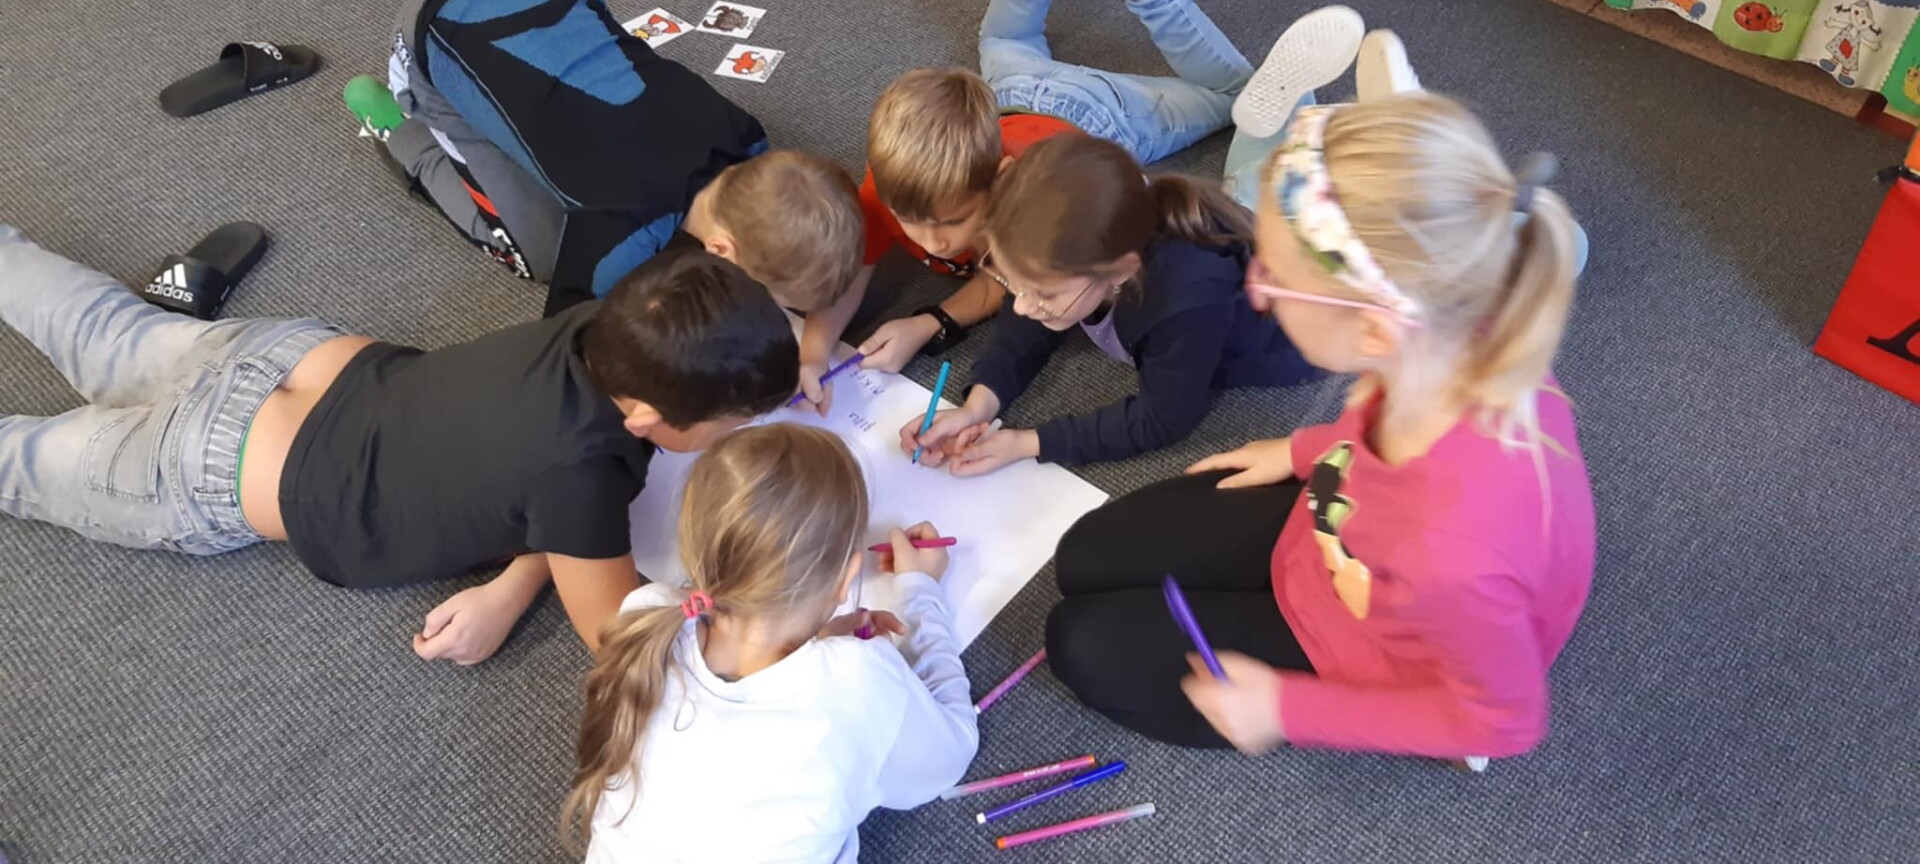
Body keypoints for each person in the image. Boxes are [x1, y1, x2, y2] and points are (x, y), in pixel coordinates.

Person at [1041, 94, 1595, 760]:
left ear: (1374, 329)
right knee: (1084, 553)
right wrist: (1305, 449)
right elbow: (1379, 446)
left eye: (1275, 277)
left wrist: (1284, 708)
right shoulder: (1446, 340)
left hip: (1380, 636)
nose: (1254, 291)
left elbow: (1502, 724)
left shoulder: (1449, 557)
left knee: (1075, 643)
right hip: (1340, 539)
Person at [0, 229, 798, 665]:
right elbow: (621, 641)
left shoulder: (612, 319)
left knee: (104, 328)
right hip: (202, 468)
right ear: (646, 417)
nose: (744, 432)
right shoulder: (583, 483)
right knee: (19, 464)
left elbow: (547, 502)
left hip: (286, 357)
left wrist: (512, 586)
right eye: (735, 421)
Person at [803, 0, 1359, 386]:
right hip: (1011, 92)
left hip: (1095, 119)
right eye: (908, 220)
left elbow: (1006, 282)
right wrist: (815, 350)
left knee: (1237, 94)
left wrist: (934, 321)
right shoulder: (896, 184)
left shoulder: (1037, 202)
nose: (931, 240)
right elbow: (852, 269)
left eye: (953, 221)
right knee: (1003, 40)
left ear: (1004, 177)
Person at [344, 0, 864, 321]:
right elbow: (569, 337)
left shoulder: (746, 136)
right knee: (538, 255)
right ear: (721, 252)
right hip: (429, 41)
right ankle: (398, 126)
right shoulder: (617, 240)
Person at [565, 424, 974, 863]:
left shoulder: (647, 612)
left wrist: (821, 642)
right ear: (845, 580)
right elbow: (950, 754)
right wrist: (919, 591)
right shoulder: (857, 682)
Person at [902, 131, 1316, 475]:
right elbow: (1027, 299)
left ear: (1120, 271)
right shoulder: (1091, 235)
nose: (1023, 306)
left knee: (1284, 192)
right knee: (1256, 172)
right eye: (1017, 285)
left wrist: (1027, 443)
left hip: (1288, 339)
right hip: (1223, 246)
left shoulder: (1183, 303)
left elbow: (1163, 419)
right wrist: (980, 403)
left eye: (1044, 295)